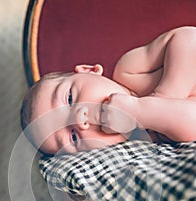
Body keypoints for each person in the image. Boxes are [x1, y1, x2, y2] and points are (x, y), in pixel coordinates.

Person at [21, 26, 196, 155]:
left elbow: (189, 39)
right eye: (73, 137)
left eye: (69, 98)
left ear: (89, 70)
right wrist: (142, 113)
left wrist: (163, 97)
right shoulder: (151, 146)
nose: (80, 119)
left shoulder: (129, 71)